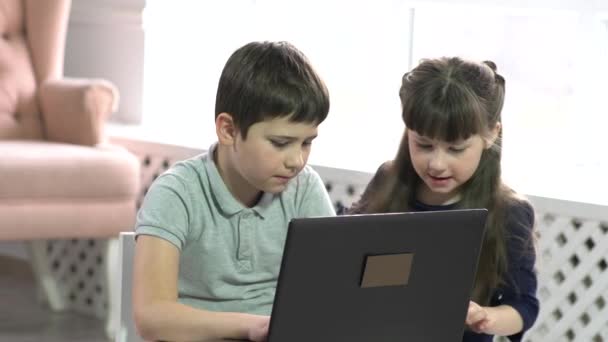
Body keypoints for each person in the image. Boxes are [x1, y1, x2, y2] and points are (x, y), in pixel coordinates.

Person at [132, 41, 335, 342]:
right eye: (280, 143)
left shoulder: (305, 188)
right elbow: (152, 316)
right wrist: (252, 326)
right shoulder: (177, 193)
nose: (297, 161)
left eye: (307, 142)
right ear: (228, 130)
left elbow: (334, 288)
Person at [348, 57, 539, 341]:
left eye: (456, 149)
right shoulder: (388, 181)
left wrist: (485, 318)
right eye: (423, 144)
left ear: (491, 134)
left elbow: (523, 306)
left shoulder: (509, 211)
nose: (437, 164)